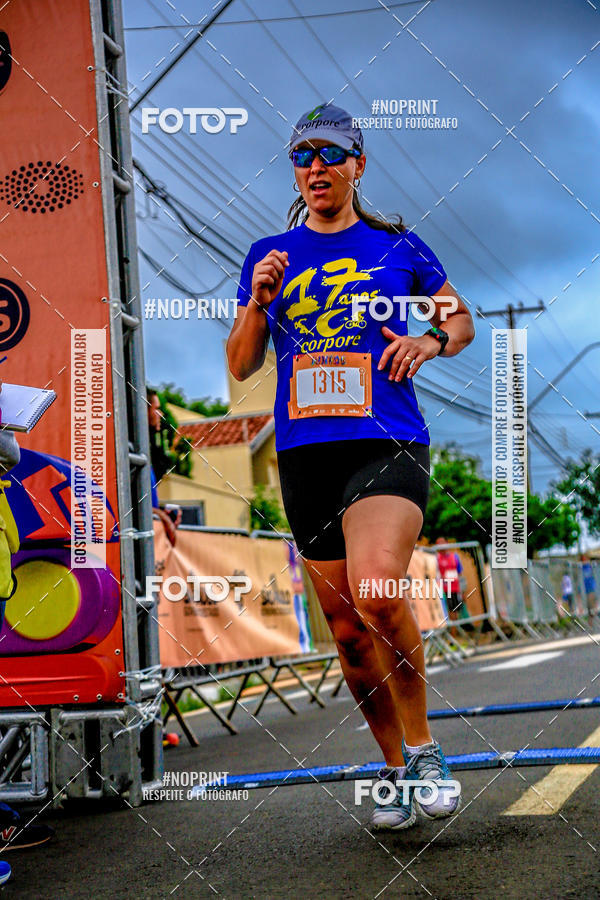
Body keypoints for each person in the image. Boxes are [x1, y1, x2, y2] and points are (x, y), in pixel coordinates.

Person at [227, 103, 475, 831]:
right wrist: (257, 305)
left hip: (386, 442)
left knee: (376, 589)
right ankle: (394, 768)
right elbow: (240, 364)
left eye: (331, 155)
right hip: (305, 454)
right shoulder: (268, 254)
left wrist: (429, 341)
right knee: (344, 631)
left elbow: (457, 319)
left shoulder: (399, 246)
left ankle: (427, 749)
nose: (315, 169)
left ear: (358, 165)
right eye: (302, 157)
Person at [435, 537, 465, 623]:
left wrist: (462, 590)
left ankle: (454, 631)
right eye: (438, 543)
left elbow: (460, 574)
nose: (440, 545)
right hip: (441, 590)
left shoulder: (454, 557)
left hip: (453, 589)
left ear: (447, 543)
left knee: (454, 611)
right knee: (444, 612)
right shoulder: (436, 558)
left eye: (442, 542)